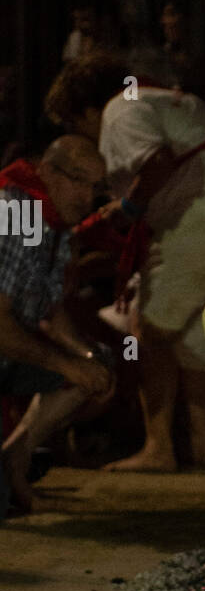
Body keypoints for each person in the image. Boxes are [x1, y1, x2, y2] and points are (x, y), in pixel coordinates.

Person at [43, 56, 205, 472]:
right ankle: (201, 447)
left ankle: (158, 448)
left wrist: (125, 208)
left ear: (87, 110)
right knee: (195, 335)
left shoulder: (118, 110)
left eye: (76, 125)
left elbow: (157, 162)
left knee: (150, 328)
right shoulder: (161, 96)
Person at [0, 135, 114, 513]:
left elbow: (49, 308)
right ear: (47, 172)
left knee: (98, 362)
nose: (87, 196)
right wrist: (68, 364)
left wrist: (83, 357)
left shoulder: (50, 219)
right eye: (77, 180)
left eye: (95, 186)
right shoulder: (20, 213)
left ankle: (15, 460)